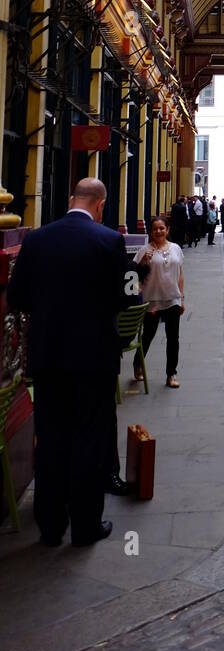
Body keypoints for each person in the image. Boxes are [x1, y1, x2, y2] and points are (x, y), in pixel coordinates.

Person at [6, 178, 127, 547]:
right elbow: (126, 296)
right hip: (94, 360)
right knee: (89, 440)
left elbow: (16, 297)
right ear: (101, 205)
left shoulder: (37, 240)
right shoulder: (109, 241)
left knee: (52, 439)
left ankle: (51, 525)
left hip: (48, 358)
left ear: (71, 198)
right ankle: (86, 525)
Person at [133, 216, 185, 386]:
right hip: (152, 301)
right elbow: (133, 278)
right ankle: (137, 363)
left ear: (167, 229)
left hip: (173, 300)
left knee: (173, 339)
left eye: (162, 228)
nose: (159, 231)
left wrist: (182, 298)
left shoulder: (176, 248)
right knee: (147, 336)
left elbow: (180, 274)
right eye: (155, 229)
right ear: (151, 231)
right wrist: (143, 261)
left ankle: (171, 374)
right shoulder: (144, 250)